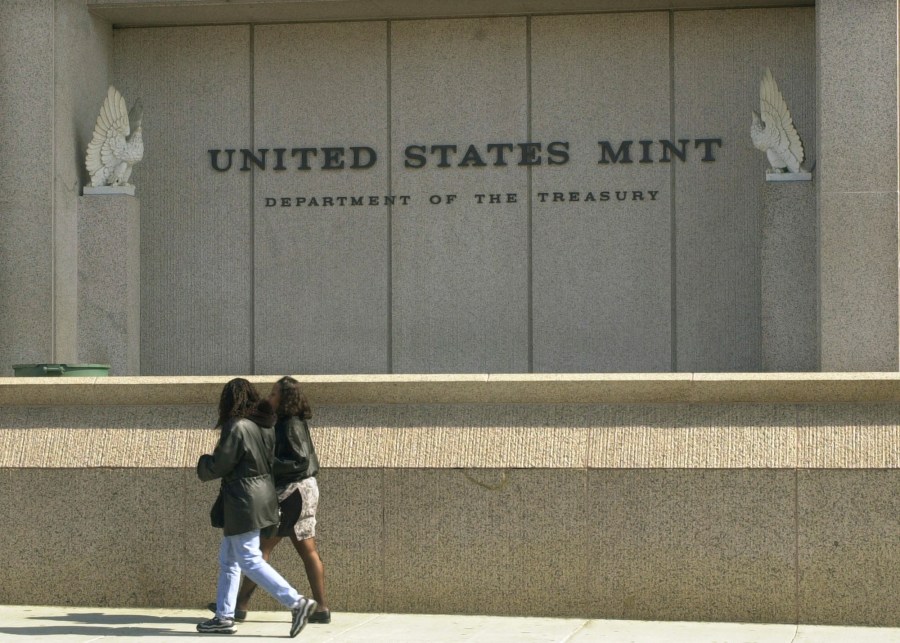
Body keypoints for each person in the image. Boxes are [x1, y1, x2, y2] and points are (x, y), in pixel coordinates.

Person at [196, 378, 317, 637]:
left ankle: (297, 603)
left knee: (249, 558)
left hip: (243, 499)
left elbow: (221, 464)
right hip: (261, 496)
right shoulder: (264, 426)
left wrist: (203, 462)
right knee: (229, 560)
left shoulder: (237, 427)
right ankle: (224, 616)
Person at [221, 376, 331, 624]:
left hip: (293, 491)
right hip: (303, 490)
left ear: (285, 398)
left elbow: (299, 461)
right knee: (306, 549)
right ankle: (321, 608)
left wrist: (267, 465)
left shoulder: (289, 423)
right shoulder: (290, 421)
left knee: (261, 549)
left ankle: (239, 606)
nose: (269, 397)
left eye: (273, 394)